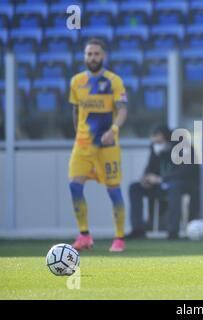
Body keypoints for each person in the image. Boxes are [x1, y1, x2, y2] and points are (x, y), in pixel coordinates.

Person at [68, 38, 128, 252]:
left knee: (113, 190)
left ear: (104, 56)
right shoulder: (76, 82)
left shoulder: (114, 81)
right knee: (75, 185)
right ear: (85, 57)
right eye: (89, 54)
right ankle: (84, 235)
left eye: (96, 54)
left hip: (107, 144)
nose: (92, 58)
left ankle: (119, 237)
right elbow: (76, 111)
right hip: (83, 143)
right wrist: (77, 135)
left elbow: (122, 110)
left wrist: (113, 130)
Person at [128, 125, 200, 240]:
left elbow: (185, 171)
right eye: (155, 141)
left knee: (174, 187)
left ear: (167, 138)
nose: (157, 144)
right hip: (159, 186)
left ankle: (173, 231)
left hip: (181, 185)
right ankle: (138, 229)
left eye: (159, 141)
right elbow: (150, 167)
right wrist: (146, 178)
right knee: (134, 188)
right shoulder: (155, 148)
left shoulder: (183, 147)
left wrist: (161, 179)